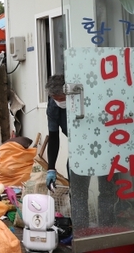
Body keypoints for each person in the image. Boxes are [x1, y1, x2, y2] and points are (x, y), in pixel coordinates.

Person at [45, 74, 116, 229]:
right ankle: (82, 232)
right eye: (55, 98)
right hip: (79, 149)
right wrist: (51, 167)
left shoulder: (86, 99)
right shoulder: (53, 106)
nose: (59, 101)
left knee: (107, 190)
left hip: (104, 145)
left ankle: (107, 230)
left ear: (69, 93)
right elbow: (54, 137)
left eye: (61, 97)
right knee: (78, 193)